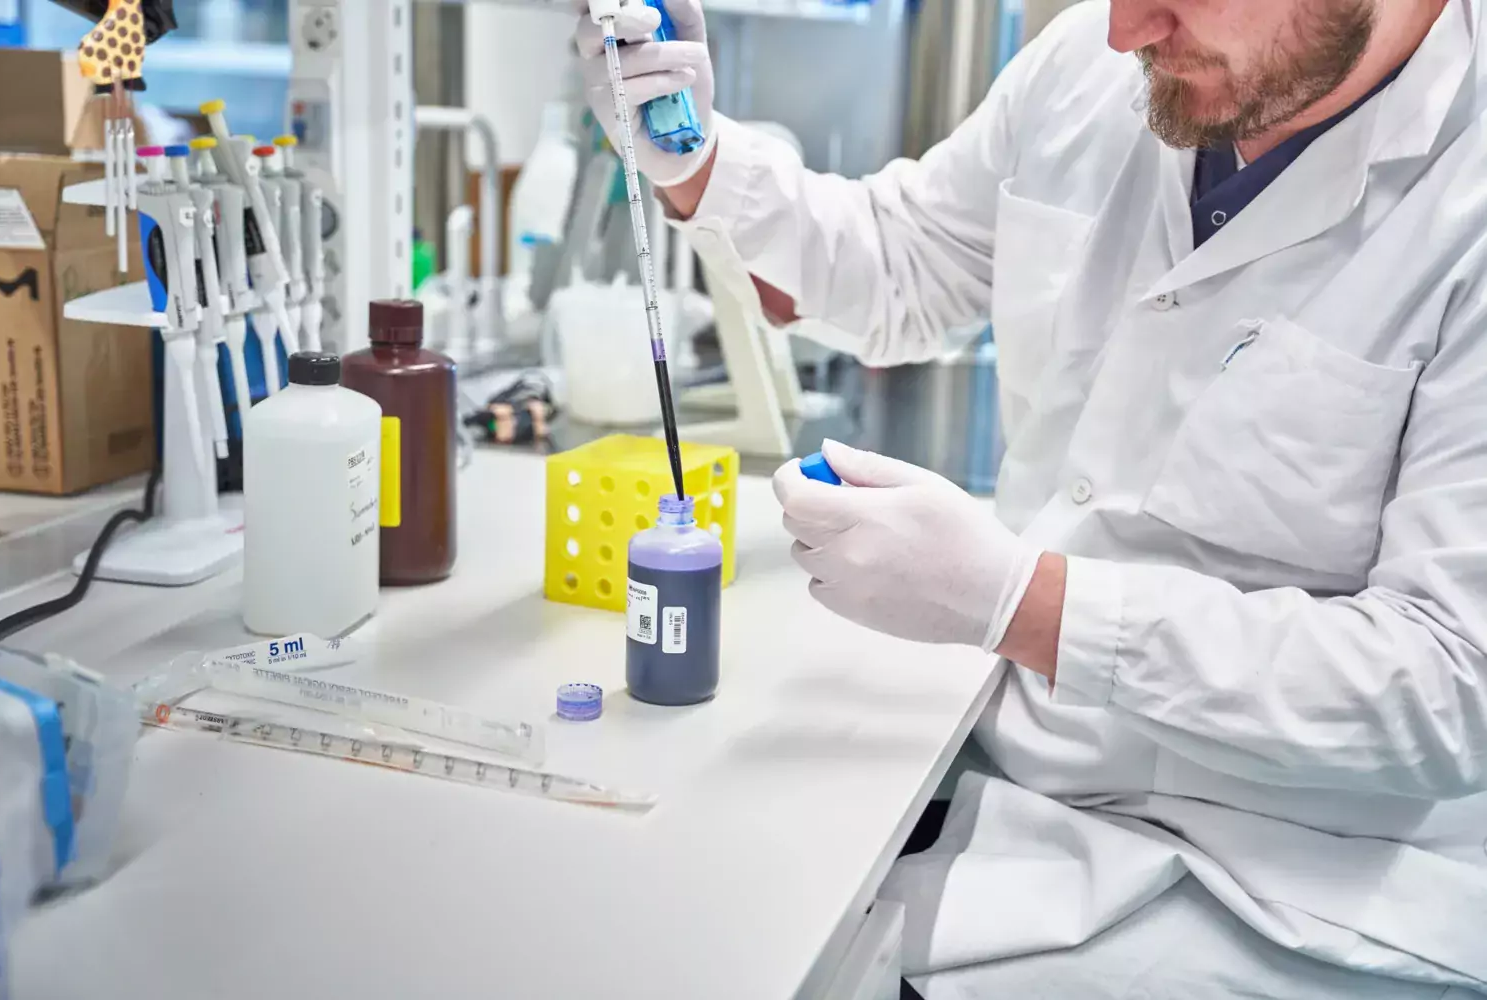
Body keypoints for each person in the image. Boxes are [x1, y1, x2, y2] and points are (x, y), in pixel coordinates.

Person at [577, 0, 1487, 996]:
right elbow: (906, 262)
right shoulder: (1102, 65)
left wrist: (1028, 603)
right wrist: (697, 162)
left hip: (1291, 884)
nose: (1125, 32)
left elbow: (1445, 687)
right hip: (1006, 791)